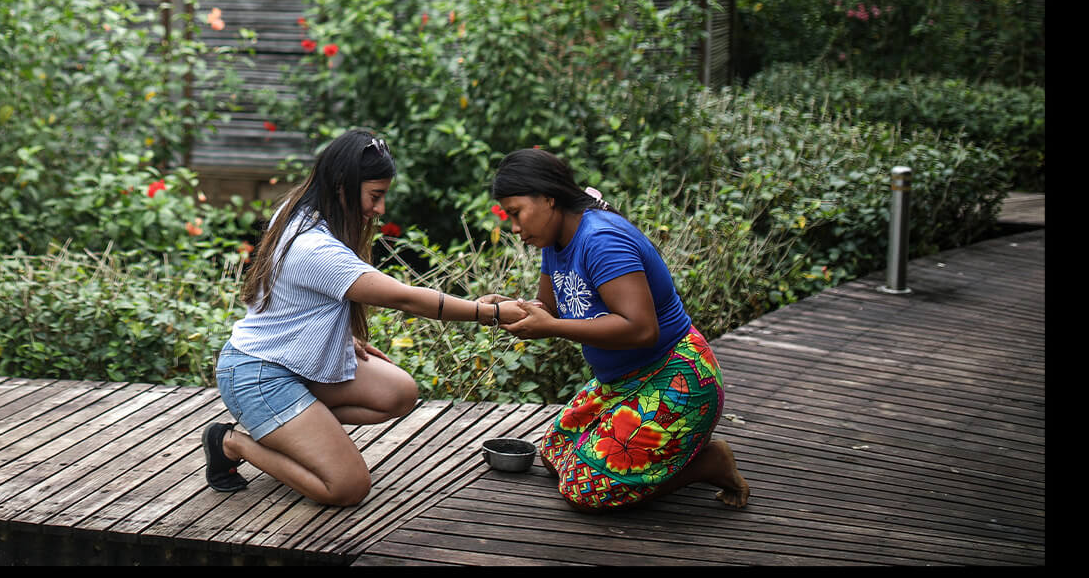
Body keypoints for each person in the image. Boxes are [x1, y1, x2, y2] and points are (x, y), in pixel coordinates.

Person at [202, 128, 519, 506]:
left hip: (288, 362)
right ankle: (232, 442)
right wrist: (489, 313)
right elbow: (405, 298)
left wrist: (334, 335)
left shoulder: (305, 214)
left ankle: (300, 430)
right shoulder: (312, 245)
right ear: (341, 186)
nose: (380, 209)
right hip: (258, 375)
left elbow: (291, 301)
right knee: (347, 487)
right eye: (375, 196)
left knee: (398, 393)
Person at [488, 146, 750, 510]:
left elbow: (642, 330)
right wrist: (504, 309)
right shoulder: (555, 240)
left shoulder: (601, 240)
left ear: (548, 199)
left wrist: (555, 328)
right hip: (622, 383)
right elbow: (548, 308)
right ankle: (666, 457)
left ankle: (709, 463)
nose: (515, 229)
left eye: (516, 214)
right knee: (553, 455)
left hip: (675, 377)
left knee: (585, 492)